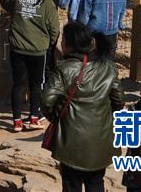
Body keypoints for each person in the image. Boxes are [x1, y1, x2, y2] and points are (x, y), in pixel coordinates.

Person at [42, 22, 123, 192]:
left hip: (70, 143)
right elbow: (119, 99)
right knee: (96, 182)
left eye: (63, 40)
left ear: (68, 44)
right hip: (100, 140)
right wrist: (104, 114)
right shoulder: (108, 67)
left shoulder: (64, 69)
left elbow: (46, 100)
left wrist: (55, 115)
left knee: (71, 185)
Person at [0, 0, 60, 131]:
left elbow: (3, 0)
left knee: (18, 84)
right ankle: (34, 117)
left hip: (18, 49)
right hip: (39, 49)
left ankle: (17, 121)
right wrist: (49, 43)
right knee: (36, 84)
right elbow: (54, 26)